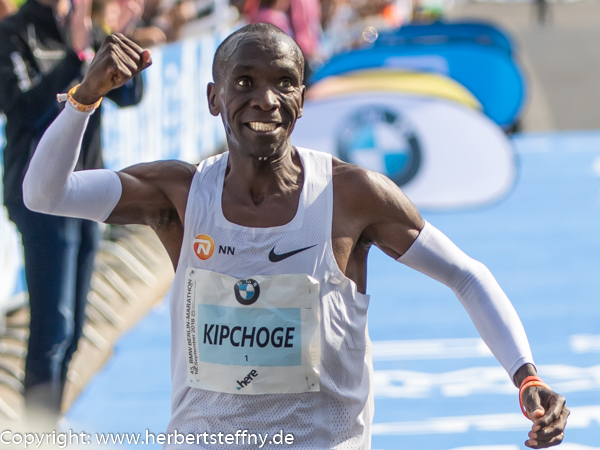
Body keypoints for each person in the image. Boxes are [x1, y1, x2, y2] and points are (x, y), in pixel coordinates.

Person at [23, 24, 569, 447]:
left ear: (302, 101)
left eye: (284, 82)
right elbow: (43, 194)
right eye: (245, 83)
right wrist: (84, 98)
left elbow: (466, 277)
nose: (265, 99)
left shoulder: (353, 196)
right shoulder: (180, 193)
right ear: (214, 98)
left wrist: (526, 377)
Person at [0, 0, 143, 423]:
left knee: (76, 327)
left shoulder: (87, 25)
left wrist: (127, 36)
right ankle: (37, 431)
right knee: (53, 327)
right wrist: (78, 59)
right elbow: (23, 109)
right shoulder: (15, 33)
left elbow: (130, 96)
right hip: (40, 196)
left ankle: (50, 422)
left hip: (87, 194)